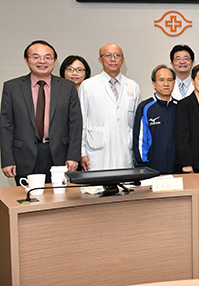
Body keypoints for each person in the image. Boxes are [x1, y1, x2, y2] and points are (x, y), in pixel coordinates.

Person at [1, 40, 82, 184]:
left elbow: (75, 124)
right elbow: (6, 126)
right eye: (36, 57)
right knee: (28, 196)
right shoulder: (12, 87)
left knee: (60, 196)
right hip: (23, 156)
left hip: (60, 156)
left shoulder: (67, 87)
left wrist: (73, 156)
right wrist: (7, 160)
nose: (42, 61)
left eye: (47, 57)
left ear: (54, 61)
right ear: (26, 60)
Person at [79, 43, 140, 170]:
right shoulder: (88, 85)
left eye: (117, 55)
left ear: (123, 60)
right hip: (96, 153)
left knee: (125, 181)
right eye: (108, 55)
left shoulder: (133, 86)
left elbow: (136, 123)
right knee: (98, 182)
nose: (113, 59)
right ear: (100, 59)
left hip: (125, 151)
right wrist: (82, 152)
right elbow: (81, 121)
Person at [133, 65, 178, 174]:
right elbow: (140, 139)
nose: (166, 84)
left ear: (174, 83)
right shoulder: (145, 107)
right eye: (161, 80)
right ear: (153, 83)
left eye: (169, 80)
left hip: (177, 167)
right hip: (152, 167)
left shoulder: (180, 107)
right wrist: (143, 164)